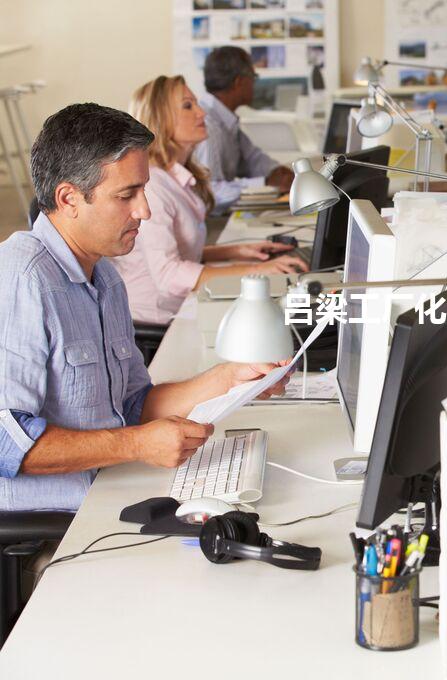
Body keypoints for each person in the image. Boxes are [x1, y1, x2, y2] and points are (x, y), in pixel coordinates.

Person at [0, 103, 289, 513]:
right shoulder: (21, 278)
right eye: (126, 196)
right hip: (64, 520)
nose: (144, 211)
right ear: (68, 198)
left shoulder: (105, 276)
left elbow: (134, 405)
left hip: (113, 483)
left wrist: (229, 378)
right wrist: (136, 444)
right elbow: (5, 441)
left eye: (143, 191)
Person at [112, 75, 307, 325]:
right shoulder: (153, 187)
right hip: (160, 321)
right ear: (161, 119)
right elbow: (169, 274)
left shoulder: (177, 176)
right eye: (188, 106)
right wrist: (256, 271)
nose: (201, 112)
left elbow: (177, 249)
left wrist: (237, 251)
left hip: (183, 305)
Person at [194, 46, 295, 211]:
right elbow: (211, 191)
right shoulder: (209, 126)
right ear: (238, 82)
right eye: (253, 77)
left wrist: (277, 171)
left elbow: (251, 158)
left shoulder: (225, 119)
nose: (254, 84)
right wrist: (266, 182)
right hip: (211, 219)